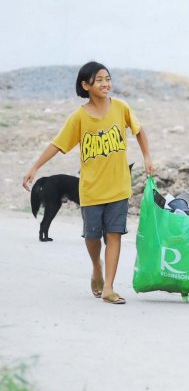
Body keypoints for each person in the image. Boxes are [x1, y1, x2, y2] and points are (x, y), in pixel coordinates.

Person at [22, 61, 154, 305]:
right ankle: (96, 267)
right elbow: (57, 144)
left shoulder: (121, 107)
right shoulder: (79, 117)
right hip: (91, 189)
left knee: (114, 234)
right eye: (99, 80)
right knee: (92, 237)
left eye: (108, 79)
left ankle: (109, 287)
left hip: (118, 187)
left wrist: (147, 156)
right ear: (86, 85)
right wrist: (35, 167)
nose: (106, 84)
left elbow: (139, 130)